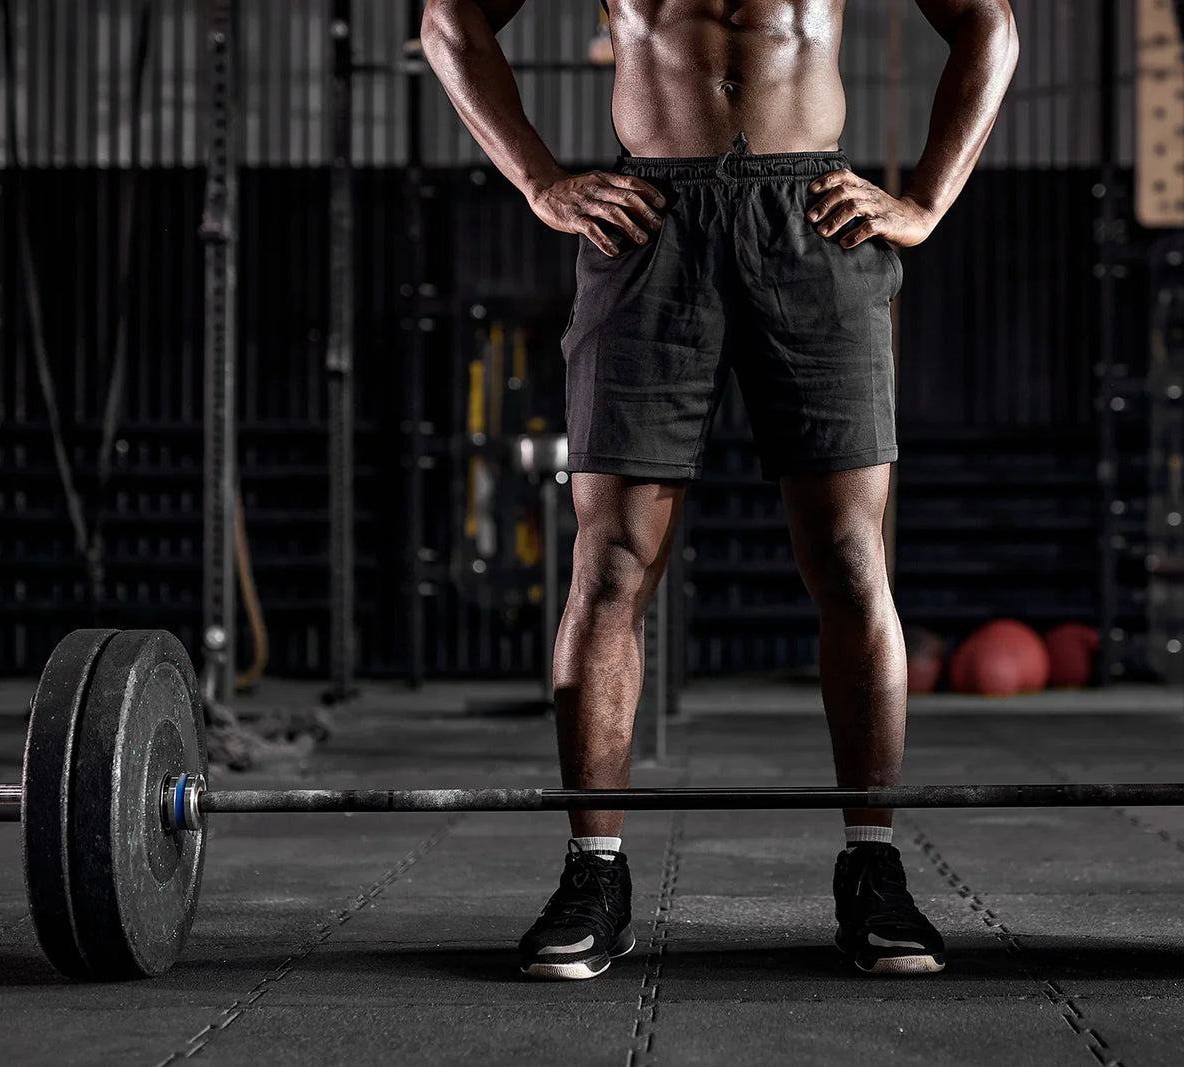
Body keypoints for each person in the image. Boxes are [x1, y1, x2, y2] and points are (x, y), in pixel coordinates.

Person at [420, 0, 1018, 979]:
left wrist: (928, 201)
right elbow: (450, 19)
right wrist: (539, 180)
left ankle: (872, 868)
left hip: (813, 217)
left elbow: (987, 22)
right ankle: (593, 873)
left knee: (848, 559)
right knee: (610, 559)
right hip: (648, 220)